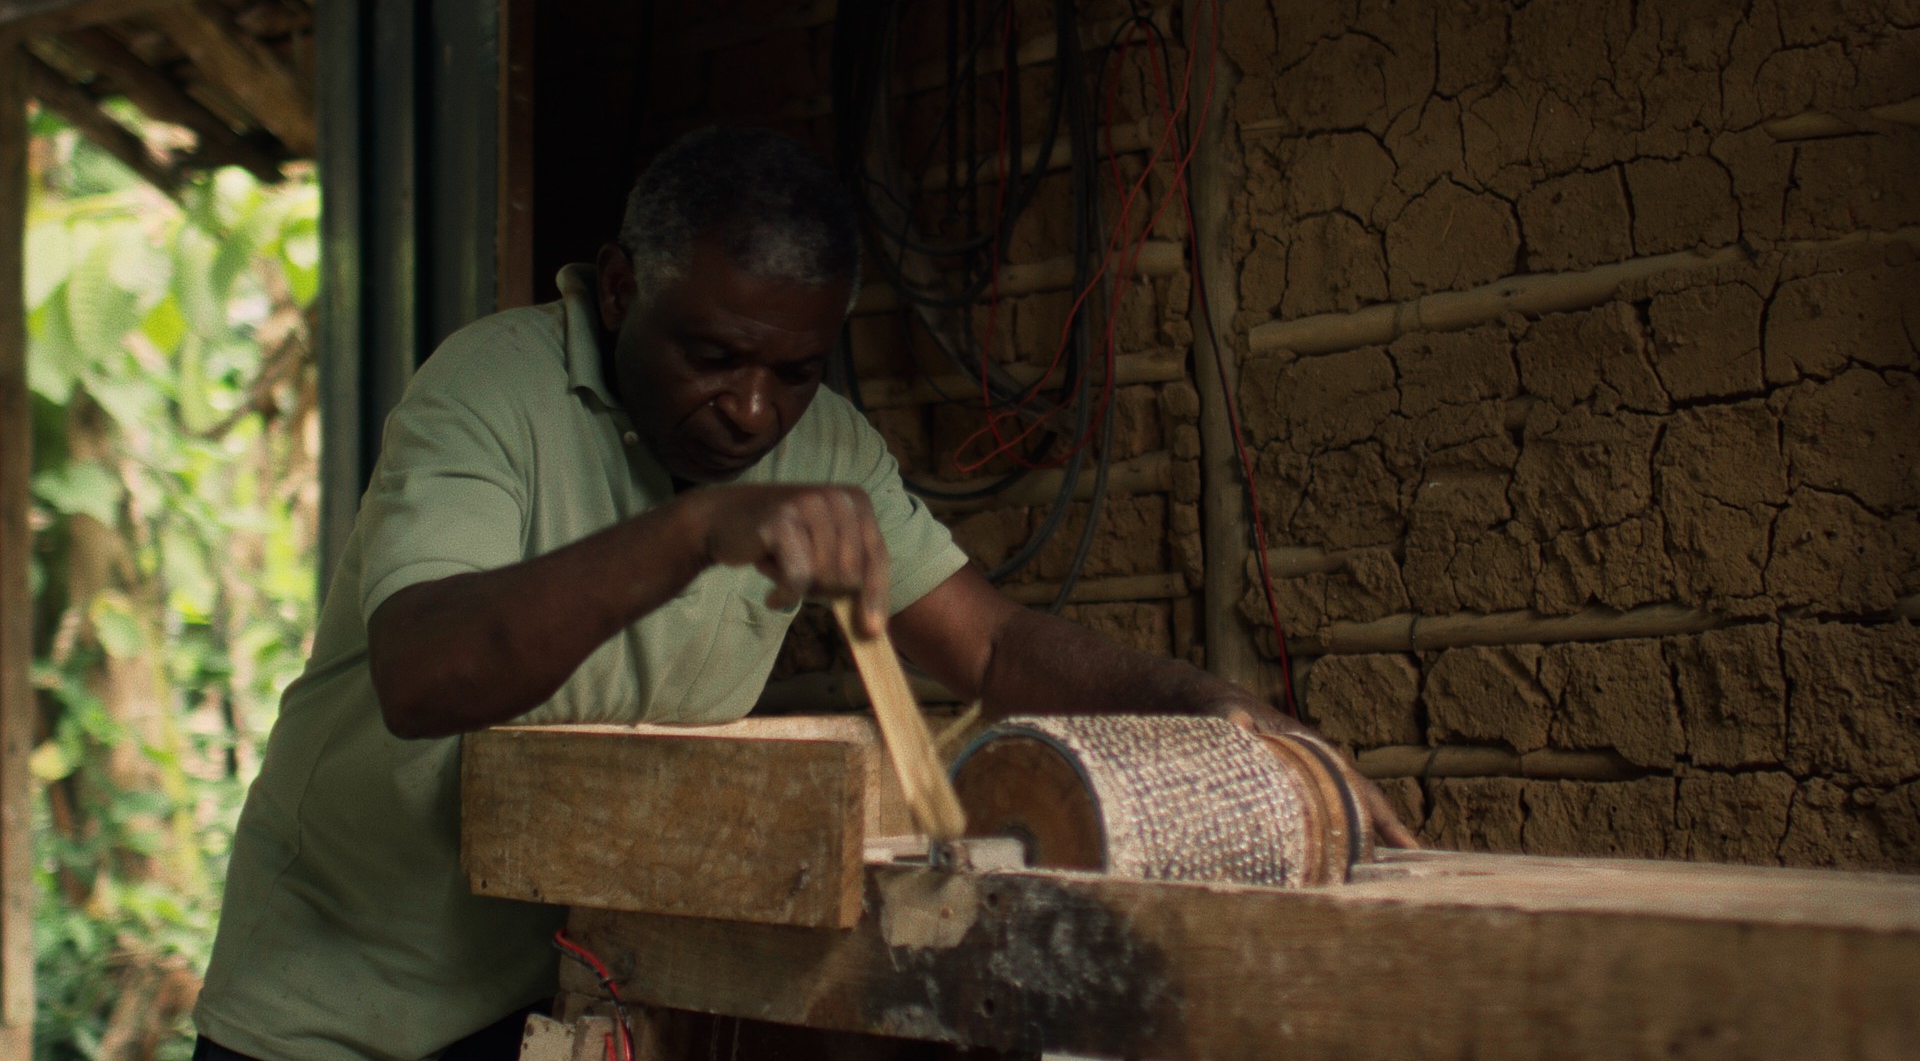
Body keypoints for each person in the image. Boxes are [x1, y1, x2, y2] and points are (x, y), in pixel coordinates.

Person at [190, 125, 1414, 1061]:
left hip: (543, 997)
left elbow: (988, 650)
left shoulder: (823, 445)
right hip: (331, 1005)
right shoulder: (489, 392)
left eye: (794, 369)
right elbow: (421, 678)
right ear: (619, 290)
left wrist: (1221, 715)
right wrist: (700, 529)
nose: (757, 410)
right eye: (713, 357)